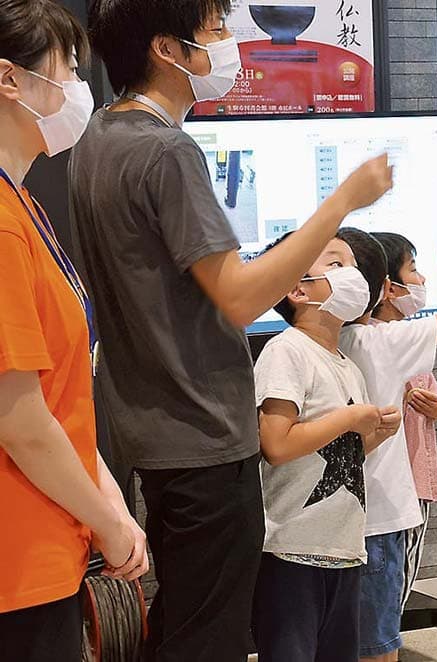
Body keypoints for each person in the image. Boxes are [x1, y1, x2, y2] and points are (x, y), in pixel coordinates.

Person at [72, 2, 393, 659]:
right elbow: (241, 299)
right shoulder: (166, 149)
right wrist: (342, 204)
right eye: (217, 29)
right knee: (207, 637)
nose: (228, 43)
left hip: (154, 432)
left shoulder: (100, 137)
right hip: (203, 439)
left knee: (186, 621)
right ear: (169, 48)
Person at [0, 3, 149, 659]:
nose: (76, 89)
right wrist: (110, 525)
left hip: (49, 542)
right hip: (18, 558)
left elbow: (61, 398)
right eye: (64, 69)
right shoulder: (3, 224)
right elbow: (21, 420)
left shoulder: (24, 203)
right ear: (11, 79)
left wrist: (111, 511)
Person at [251, 232, 401, 662]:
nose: (352, 275)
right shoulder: (286, 351)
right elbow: (276, 444)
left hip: (342, 547)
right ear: (297, 289)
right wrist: (350, 418)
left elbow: (333, 461)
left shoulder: (345, 365)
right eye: (335, 266)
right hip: (291, 548)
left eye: (351, 264)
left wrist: (374, 436)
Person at [334, 227, 437, 662]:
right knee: (378, 644)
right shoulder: (378, 340)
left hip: (336, 524)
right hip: (378, 520)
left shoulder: (320, 342)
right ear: (383, 288)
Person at [370, 231, 437, 607]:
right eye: (413, 269)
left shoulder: (406, 339)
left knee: (395, 583)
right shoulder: (383, 339)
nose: (422, 280)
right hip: (397, 487)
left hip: (414, 479)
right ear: (388, 287)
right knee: (390, 590)